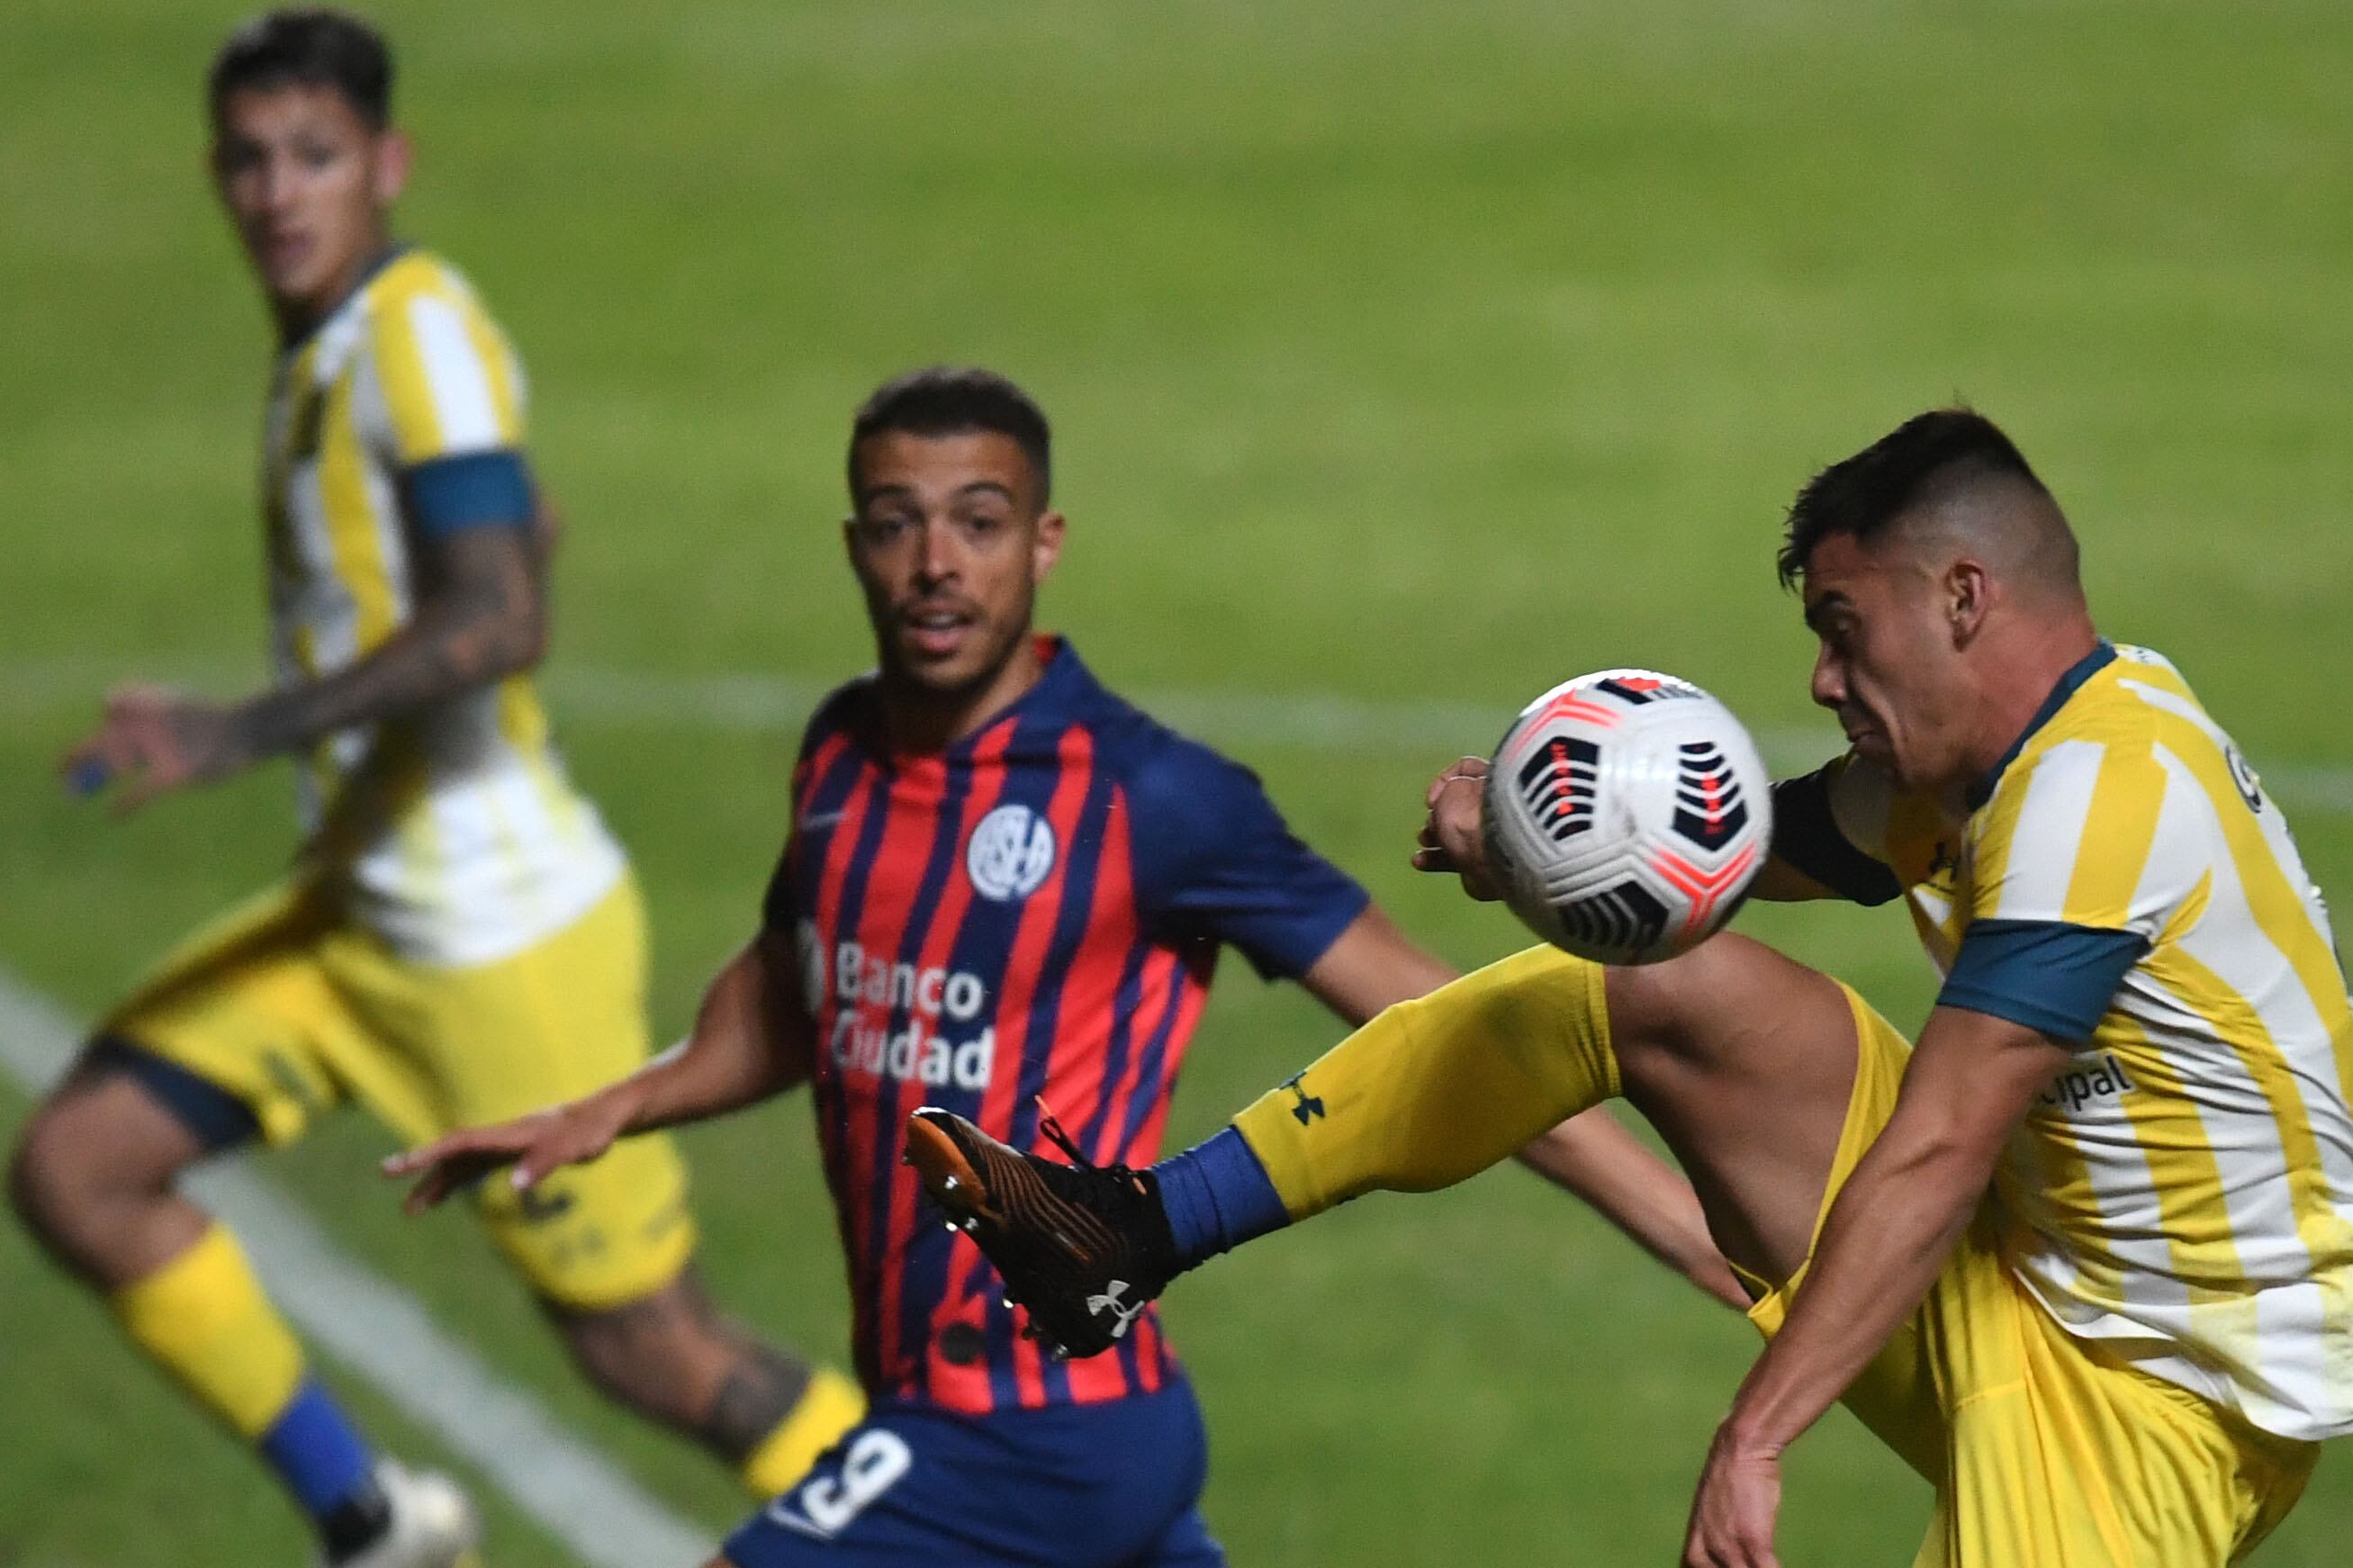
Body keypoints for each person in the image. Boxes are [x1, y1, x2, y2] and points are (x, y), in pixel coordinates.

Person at [906, 409, 2353, 1567]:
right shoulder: (1992, 759)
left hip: (2162, 1400)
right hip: (2026, 1261)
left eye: (1843, 627)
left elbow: (1937, 1148)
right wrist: (1520, 848)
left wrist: (1754, 1436)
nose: (1821, 677)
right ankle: (1132, 1227)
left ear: (1961, 597)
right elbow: (1730, 853)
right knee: (1656, 988)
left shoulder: (2100, 800)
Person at [386, 366, 1744, 1568]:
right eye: (897, 523)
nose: (936, 563)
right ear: (853, 544)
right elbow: (808, 997)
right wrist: (612, 1106)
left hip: (1030, 1422)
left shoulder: (1155, 799)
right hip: (1025, 1417)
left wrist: (1700, 1237)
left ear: (1044, 543)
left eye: (978, 523)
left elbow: (1450, 1032)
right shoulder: (841, 754)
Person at [6, 14, 859, 1566]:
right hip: (358, 916)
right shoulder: (335, 341)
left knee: (657, 1351)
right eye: (250, 160)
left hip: (492, 941)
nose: (279, 193)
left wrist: (238, 731)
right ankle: (378, 1524)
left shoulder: (416, 333)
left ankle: (966, 1528)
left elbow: (499, 614)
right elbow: (522, 530)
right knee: (82, 1168)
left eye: (315, 156)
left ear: (385, 164)